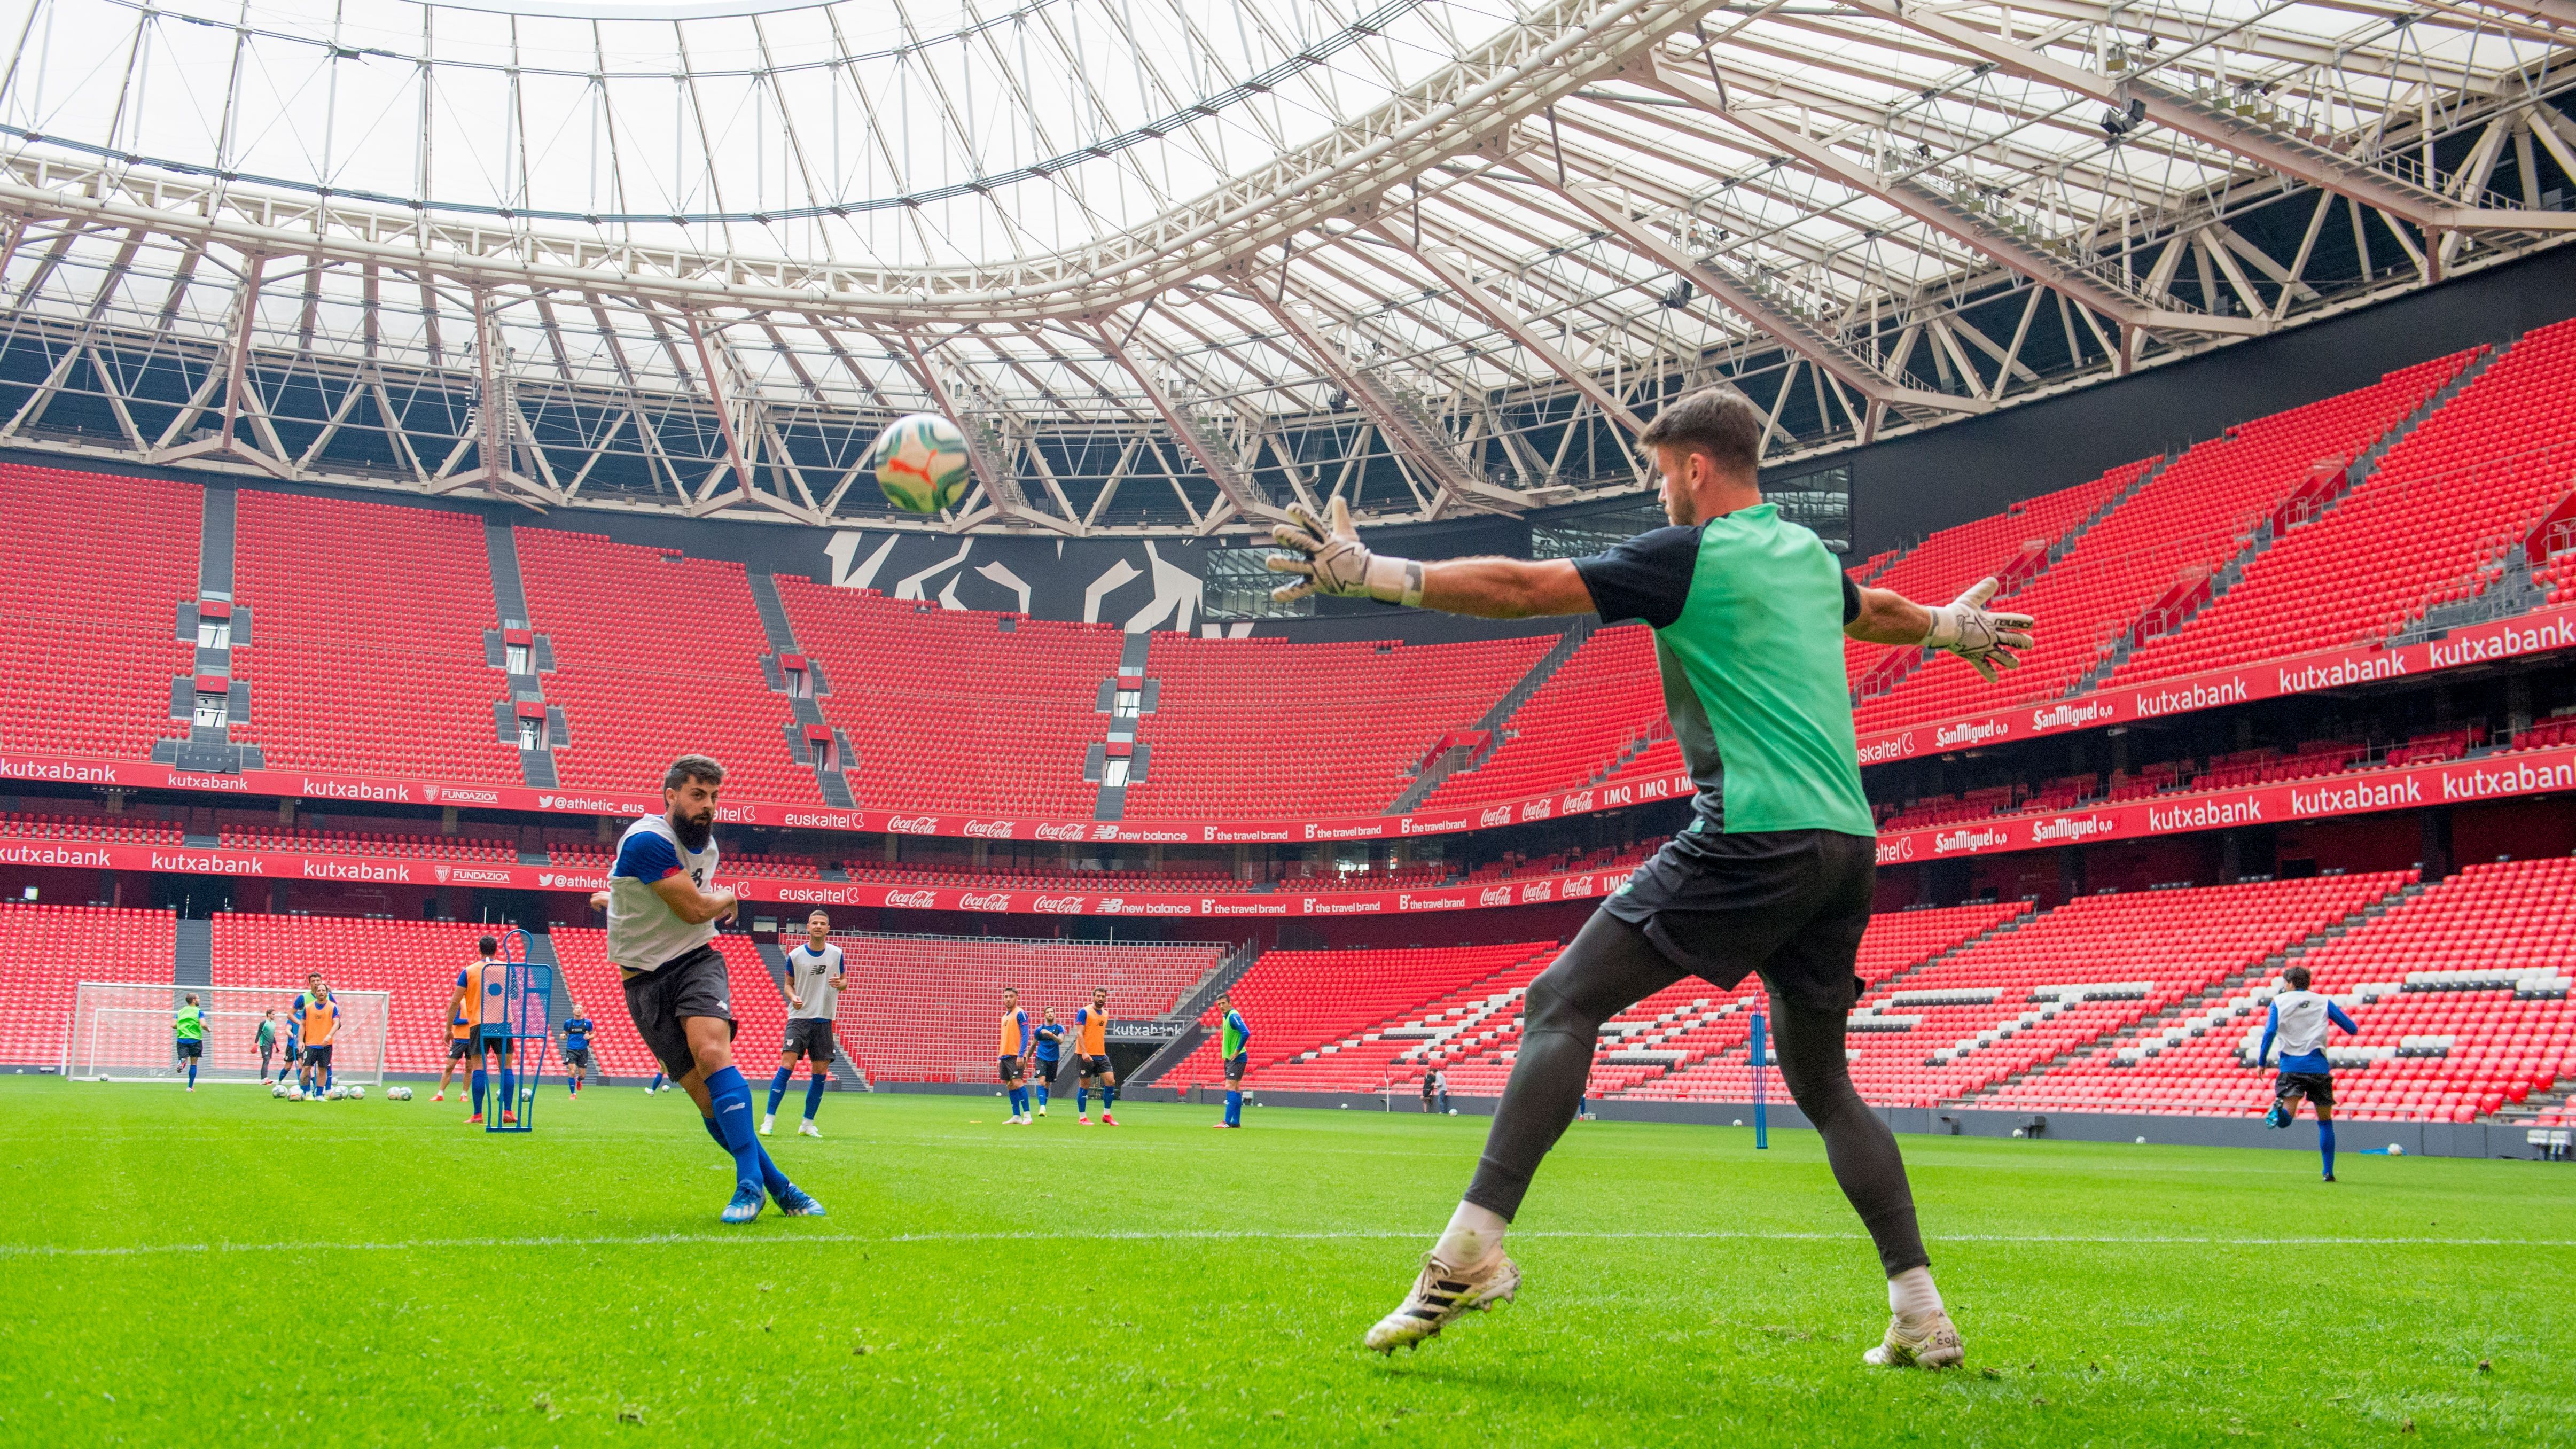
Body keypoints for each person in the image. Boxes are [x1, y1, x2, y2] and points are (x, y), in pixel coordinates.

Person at [1267, 385, 2034, 1366]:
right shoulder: (1804, 554)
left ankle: (1470, 1249)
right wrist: (1947, 629)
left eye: (1659, 471)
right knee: (1825, 1083)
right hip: (1847, 843)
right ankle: (1920, 1312)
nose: (1657, 489)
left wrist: (1374, 573)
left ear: (1695, 468)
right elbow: (1876, 610)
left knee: (1560, 999)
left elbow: (1520, 588)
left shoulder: (1687, 555)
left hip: (1752, 834)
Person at [596, 755, 821, 1224]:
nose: (709, 807)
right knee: (705, 1098)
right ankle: (781, 1187)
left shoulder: (706, 845)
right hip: (643, 980)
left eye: (714, 797)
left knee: (714, 1053)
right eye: (698, 795)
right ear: (670, 795)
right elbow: (698, 907)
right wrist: (730, 897)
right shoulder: (647, 840)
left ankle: (748, 1185)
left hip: (696, 960)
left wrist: (616, 898)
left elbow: (688, 915)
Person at [2258, 963, 2360, 1182]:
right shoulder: (2323, 1001)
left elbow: (2270, 1032)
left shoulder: (2279, 1001)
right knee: (2325, 1122)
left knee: (2287, 1119)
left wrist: (2262, 1061)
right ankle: (2328, 1172)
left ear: (2290, 983)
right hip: (2318, 1068)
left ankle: (2279, 1111)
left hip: (2291, 1067)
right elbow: (2352, 1028)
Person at [764, 910, 844, 1138]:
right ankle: (769, 1120)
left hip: (823, 1019)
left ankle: (807, 1124)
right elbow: (788, 984)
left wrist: (840, 983)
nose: (819, 926)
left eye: (823, 924)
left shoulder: (836, 954)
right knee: (786, 1066)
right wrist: (793, 996)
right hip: (799, 1018)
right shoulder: (796, 955)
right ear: (808, 927)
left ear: (828, 928)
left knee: (820, 1073)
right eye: (815, 923)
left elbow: (845, 981)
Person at [450, 937, 518, 1126]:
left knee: (479, 1067)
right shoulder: (507, 968)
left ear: (479, 949)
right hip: (503, 1022)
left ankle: (478, 1115)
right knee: (506, 1067)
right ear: (497, 950)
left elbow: (455, 1001)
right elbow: (514, 994)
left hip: (479, 1023)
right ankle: (508, 1112)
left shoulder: (469, 971)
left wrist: (449, 1028)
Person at [1071, 986, 1118, 1126]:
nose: (1101, 999)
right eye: (1098, 996)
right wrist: (1085, 1052)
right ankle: (1082, 1117)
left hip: (1101, 1054)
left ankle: (1107, 1115)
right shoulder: (1084, 1012)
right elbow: (1080, 1033)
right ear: (1093, 997)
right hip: (1085, 1054)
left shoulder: (1105, 1014)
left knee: (1111, 1081)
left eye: (1103, 997)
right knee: (1085, 1085)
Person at [292, 973, 340, 1099]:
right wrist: (300, 1041)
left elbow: (337, 1023)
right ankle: (304, 1091)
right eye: (319, 990)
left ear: (326, 993)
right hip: (311, 1043)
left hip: (326, 1044)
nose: (321, 992)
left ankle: (319, 1094)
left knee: (323, 1069)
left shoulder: (333, 1006)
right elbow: (302, 1025)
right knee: (306, 1067)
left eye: (323, 990)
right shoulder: (308, 1007)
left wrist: (329, 1036)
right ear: (316, 992)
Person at [1210, 994, 1251, 1128]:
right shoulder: (1226, 1017)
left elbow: (1246, 1032)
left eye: (1223, 1003)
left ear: (1230, 1003)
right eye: (1219, 1004)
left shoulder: (1233, 1016)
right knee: (1236, 1088)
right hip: (1231, 1058)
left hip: (1237, 1058)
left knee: (1229, 1086)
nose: (1221, 1006)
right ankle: (1235, 1122)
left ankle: (1227, 1121)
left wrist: (1237, 1050)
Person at [997, 988, 1035, 1126]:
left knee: (1018, 1083)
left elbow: (1025, 1035)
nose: (1008, 999)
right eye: (1006, 996)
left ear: (1016, 997)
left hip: (1015, 1055)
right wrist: (999, 1057)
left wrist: (1021, 1055)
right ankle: (1016, 1115)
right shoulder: (1005, 1017)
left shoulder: (1020, 1013)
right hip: (1005, 1056)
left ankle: (1028, 1116)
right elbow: (1004, 1038)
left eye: (1011, 996)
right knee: (1010, 1085)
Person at [1030, 1008, 1065, 1118]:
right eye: (1048, 1012)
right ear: (1045, 1015)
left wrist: (1050, 1034)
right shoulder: (1040, 1030)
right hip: (1041, 1058)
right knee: (1042, 1081)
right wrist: (1027, 1058)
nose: (1050, 1014)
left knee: (1047, 1084)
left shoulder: (1059, 1028)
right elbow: (1033, 1045)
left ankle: (1043, 1108)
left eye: (1052, 1012)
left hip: (1053, 1059)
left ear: (1055, 1015)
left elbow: (1060, 1041)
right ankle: (1042, 1107)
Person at [561, 1000, 595, 1098]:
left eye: (580, 1008)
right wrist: (563, 1036)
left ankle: (578, 1080)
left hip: (583, 1050)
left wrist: (590, 1037)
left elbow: (593, 1035)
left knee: (583, 1075)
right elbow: (565, 1034)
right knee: (572, 1071)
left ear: (582, 1011)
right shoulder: (568, 1023)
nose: (579, 1010)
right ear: (574, 1011)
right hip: (571, 1049)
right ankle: (573, 1094)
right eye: (577, 1008)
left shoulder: (588, 1023)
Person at [174, 993, 205, 1091]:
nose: (199, 1000)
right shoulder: (199, 1011)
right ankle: (190, 1087)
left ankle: (181, 1061)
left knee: (184, 1057)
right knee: (194, 1063)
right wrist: (208, 1029)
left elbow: (173, 1024)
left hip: (182, 1038)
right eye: (198, 998)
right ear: (194, 1000)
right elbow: (203, 1024)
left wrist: (184, 1027)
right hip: (195, 1039)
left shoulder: (180, 1012)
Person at [254, 1008, 278, 1084]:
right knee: (266, 1060)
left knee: (267, 1061)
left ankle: (262, 1080)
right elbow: (259, 1033)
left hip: (270, 1045)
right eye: (273, 1014)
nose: (274, 1016)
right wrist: (255, 1044)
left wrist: (276, 1045)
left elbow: (272, 1036)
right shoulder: (264, 1023)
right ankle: (265, 1078)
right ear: (269, 1015)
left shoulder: (274, 1024)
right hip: (264, 1044)